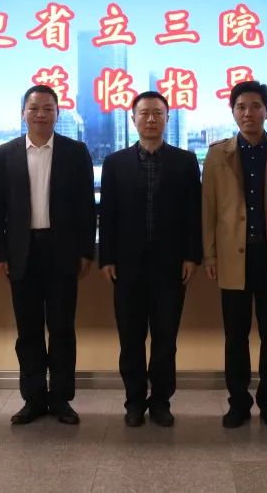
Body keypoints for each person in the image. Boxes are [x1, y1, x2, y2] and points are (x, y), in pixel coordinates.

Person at [0, 85, 96, 425]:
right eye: (34, 108)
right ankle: (33, 399)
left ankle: (61, 399)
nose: (40, 114)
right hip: (22, 252)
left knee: (62, 329)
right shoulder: (4, 154)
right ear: (23, 113)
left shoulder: (75, 152)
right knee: (29, 331)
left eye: (48, 108)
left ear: (57, 113)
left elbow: (85, 207)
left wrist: (85, 251)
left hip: (62, 251)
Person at [202, 80, 267, 429]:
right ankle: (238, 403)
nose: (248, 113)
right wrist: (210, 255)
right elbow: (209, 210)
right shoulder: (217, 154)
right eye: (241, 107)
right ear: (233, 112)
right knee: (235, 336)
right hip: (232, 257)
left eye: (255, 106)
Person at [99, 91, 202, 427]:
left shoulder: (185, 161)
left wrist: (192, 255)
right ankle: (134, 401)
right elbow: (107, 215)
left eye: (158, 113)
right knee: (130, 338)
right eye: (144, 113)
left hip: (170, 266)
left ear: (167, 118)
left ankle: (160, 401)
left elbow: (194, 214)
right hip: (126, 266)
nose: (151, 119)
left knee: (165, 338)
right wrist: (106, 258)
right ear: (133, 119)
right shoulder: (115, 163)